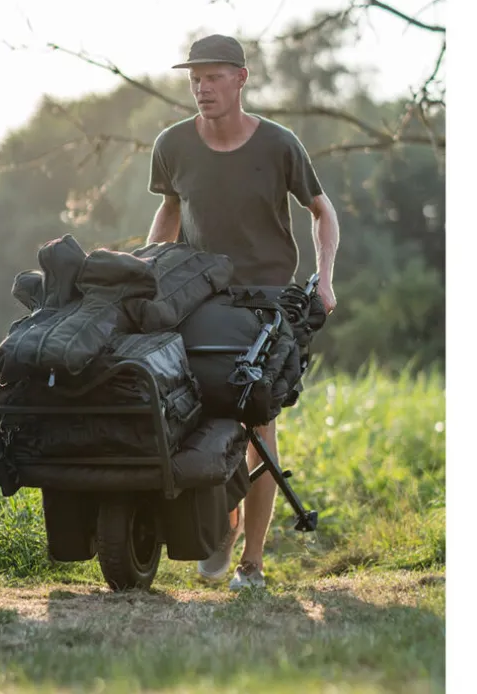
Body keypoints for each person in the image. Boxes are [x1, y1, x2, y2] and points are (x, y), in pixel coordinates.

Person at [146, 33, 340, 590]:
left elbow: (322, 211)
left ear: (241, 78)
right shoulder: (172, 144)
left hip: (267, 302)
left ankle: (252, 561)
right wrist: (146, 272)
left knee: (258, 422)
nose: (202, 88)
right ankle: (222, 526)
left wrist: (325, 280)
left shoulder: (279, 144)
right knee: (194, 414)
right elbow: (170, 211)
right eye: (195, 79)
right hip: (198, 295)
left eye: (213, 77)